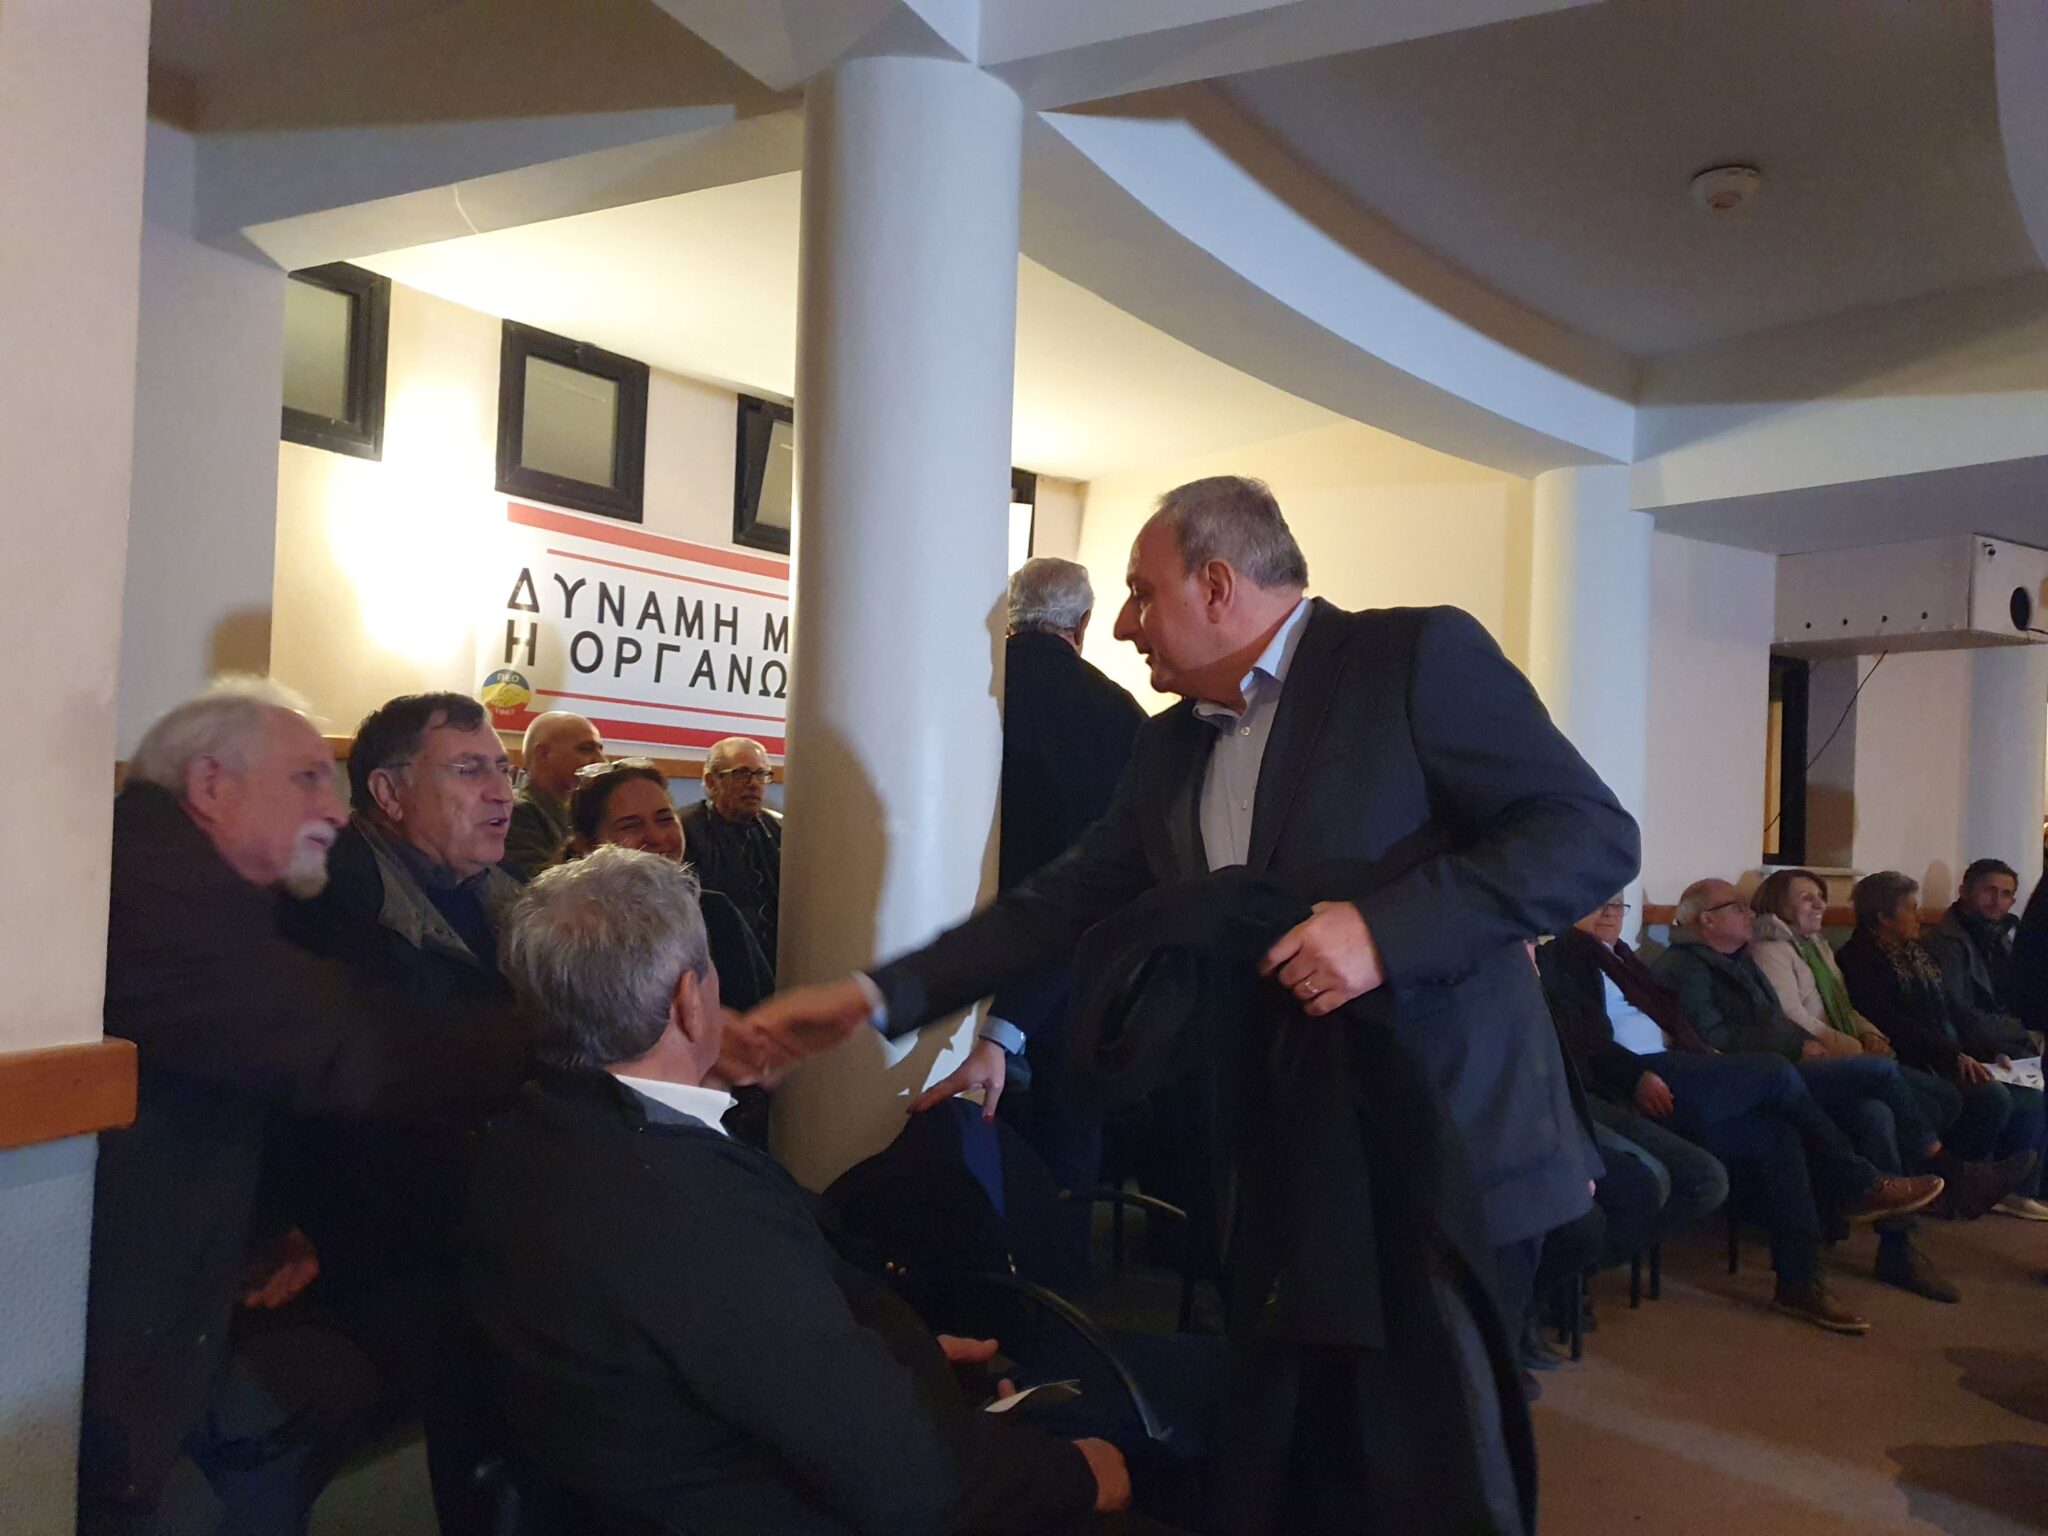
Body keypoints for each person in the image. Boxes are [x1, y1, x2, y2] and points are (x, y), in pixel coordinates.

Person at [731, 474, 1640, 1534]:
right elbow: (1060, 903)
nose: (1122, 626)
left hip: (1449, 1149)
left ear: (1216, 584)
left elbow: (1589, 835)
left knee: (1439, 1469)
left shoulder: (1411, 658)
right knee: (1307, 1461)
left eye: (1140, 592)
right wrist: (871, 995)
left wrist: (1383, 931)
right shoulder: (1168, 746)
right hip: (1282, 1160)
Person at [465, 847, 1140, 1535]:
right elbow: (911, 1482)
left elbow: (736, 1358)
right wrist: (1077, 1474)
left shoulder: (520, 1142)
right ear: (690, 1001)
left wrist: (902, 1364)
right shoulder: (693, 1210)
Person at [81, 679, 529, 1536]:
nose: (334, 806)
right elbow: (349, 1046)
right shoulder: (154, 886)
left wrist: (262, 1228)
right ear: (211, 786)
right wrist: (586, 1035)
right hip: (119, 1348)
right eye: (307, 779)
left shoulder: (203, 888)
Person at [275, 692, 528, 1531]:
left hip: (486, 1223)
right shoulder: (329, 904)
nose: (501, 792)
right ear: (387, 793)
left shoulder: (512, 901)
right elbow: (364, 1095)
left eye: (504, 770)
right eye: (469, 770)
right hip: (386, 1245)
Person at [1538, 898, 1962, 1313]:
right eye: (1598, 902)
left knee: (1782, 1133)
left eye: (1618, 905)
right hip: (1642, 1076)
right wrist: (1637, 1075)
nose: (1610, 913)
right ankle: (1862, 1179)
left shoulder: (1626, 960)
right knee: (1784, 1073)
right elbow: (1585, 1042)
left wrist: (1711, 1055)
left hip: (1684, 1065)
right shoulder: (1568, 957)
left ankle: (1798, 1278)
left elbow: (1698, 1024)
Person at [921, 556, 1146, 1203]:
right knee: (1064, 1150)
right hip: (1079, 972)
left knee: (956, 1146)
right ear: (1082, 624)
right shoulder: (1122, 714)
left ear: (1009, 615)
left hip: (952, 947)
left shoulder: (961, 688)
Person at [1838, 870, 2048, 1220]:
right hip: (1914, 1058)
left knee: (2031, 1095)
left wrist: (1989, 1051)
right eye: (1910, 909)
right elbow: (1896, 1025)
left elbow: (1953, 1010)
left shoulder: (1916, 953)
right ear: (1883, 917)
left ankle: (2012, 1188)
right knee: (1991, 1097)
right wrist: (1954, 1055)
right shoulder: (1860, 960)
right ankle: (1957, 1186)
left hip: (1948, 1052)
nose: (1920, 916)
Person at [561, 758, 774, 1013]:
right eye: (631, 825)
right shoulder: (568, 929)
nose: (657, 837)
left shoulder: (714, 912)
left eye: (664, 819)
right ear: (586, 846)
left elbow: (758, 1015)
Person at [679, 736, 783, 966]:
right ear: (712, 781)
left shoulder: (775, 828)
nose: (754, 784)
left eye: (761, 774)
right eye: (741, 774)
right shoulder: (685, 831)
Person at [1924, 858, 2032, 1048]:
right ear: (1964, 892)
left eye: (2006, 894)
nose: (1997, 901)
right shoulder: (1946, 941)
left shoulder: (2001, 935)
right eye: (1989, 891)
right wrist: (2030, 1028)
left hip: (2010, 1035)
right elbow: (1962, 1016)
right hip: (1977, 1047)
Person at [501, 711, 603, 880]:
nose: (600, 761)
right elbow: (543, 887)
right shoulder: (516, 815)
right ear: (543, 755)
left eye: (600, 749)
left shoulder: (577, 813)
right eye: (586, 749)